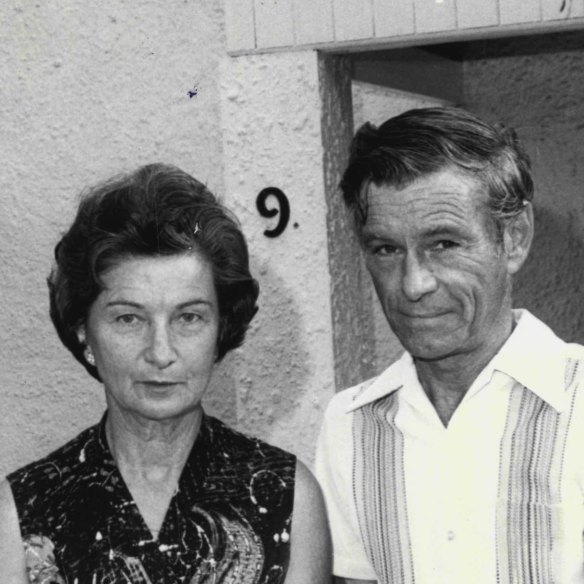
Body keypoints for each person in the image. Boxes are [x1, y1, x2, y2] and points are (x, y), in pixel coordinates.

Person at [0, 163, 330, 583]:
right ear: (84, 332)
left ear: (221, 328)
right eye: (128, 320)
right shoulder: (22, 511)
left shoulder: (288, 495)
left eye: (189, 317)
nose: (161, 353)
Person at [315, 106, 584, 584]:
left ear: (515, 238)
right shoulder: (349, 427)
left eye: (443, 243)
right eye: (386, 249)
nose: (414, 283)